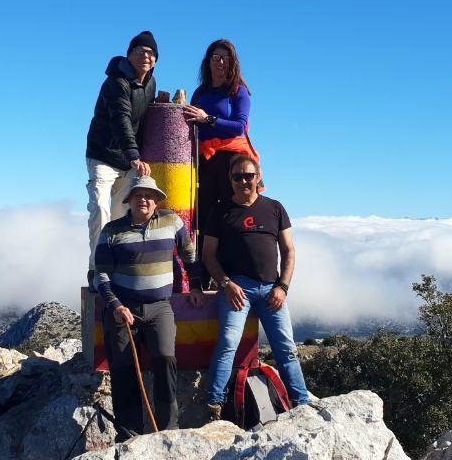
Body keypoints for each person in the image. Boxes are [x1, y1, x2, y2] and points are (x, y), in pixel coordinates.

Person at [94, 175, 204, 438]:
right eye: (138, 195)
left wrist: (197, 285)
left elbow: (189, 255)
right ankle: (128, 433)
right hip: (123, 309)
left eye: (149, 195)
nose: (144, 199)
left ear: (157, 201)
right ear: (129, 200)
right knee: (123, 369)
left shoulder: (172, 221)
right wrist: (116, 306)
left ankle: (167, 430)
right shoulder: (112, 230)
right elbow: (101, 275)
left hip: (160, 307)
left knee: (166, 361)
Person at [201, 155, 309, 418]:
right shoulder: (220, 210)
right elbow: (208, 255)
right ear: (230, 179)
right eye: (237, 177)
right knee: (228, 342)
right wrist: (226, 283)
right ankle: (214, 404)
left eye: (248, 176)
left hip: (272, 289)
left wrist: (283, 287)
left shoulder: (274, 208)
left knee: (285, 347)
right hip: (237, 289)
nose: (243, 181)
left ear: (258, 177)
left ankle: (302, 403)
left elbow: (289, 251)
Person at [86, 31, 159, 281]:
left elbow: (145, 120)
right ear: (129, 56)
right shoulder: (116, 82)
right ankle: (97, 270)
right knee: (100, 210)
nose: (145, 57)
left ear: (156, 60)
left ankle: (115, 266)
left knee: (119, 217)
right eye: (140, 51)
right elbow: (121, 118)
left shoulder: (151, 84)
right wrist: (134, 155)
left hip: (129, 159)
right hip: (103, 155)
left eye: (150, 53)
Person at [181, 39, 260, 266]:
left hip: (230, 160)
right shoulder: (201, 92)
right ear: (208, 62)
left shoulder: (238, 91)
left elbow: (240, 127)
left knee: (229, 211)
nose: (220, 62)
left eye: (225, 57)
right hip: (204, 160)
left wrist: (209, 119)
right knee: (204, 214)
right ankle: (205, 271)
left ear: (233, 62)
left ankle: (231, 266)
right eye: (215, 57)